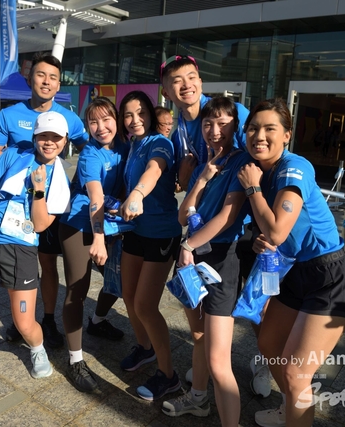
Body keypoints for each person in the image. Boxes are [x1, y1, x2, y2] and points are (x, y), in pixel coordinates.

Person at [237, 99, 345, 427]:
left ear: (287, 135)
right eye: (253, 128)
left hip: (330, 277)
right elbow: (276, 234)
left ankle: (294, 403)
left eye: (269, 128)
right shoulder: (262, 171)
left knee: (295, 373)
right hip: (294, 271)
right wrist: (264, 238)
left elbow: (277, 229)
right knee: (268, 343)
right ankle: (291, 407)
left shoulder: (295, 166)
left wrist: (252, 189)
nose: (259, 136)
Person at [0, 52, 89, 349]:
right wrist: (20, 163)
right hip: (13, 208)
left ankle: (48, 319)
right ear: (30, 79)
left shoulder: (68, 118)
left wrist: (73, 182)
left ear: (59, 84)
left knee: (48, 263)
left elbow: (88, 150)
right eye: (41, 75)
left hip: (48, 204)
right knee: (16, 262)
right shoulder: (9, 115)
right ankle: (21, 320)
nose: (47, 81)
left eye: (53, 77)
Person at [0, 111, 73, 392]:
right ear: (35, 137)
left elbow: (40, 225)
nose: (49, 142)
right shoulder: (12, 155)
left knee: (24, 322)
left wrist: (38, 189)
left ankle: (37, 349)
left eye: (55, 137)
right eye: (43, 136)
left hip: (22, 249)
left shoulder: (60, 182)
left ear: (64, 141)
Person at [163, 97, 252, 423]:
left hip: (220, 259)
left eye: (223, 124)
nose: (214, 131)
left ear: (235, 126)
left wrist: (188, 245)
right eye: (208, 124)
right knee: (199, 336)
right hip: (193, 258)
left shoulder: (242, 162)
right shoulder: (209, 162)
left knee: (218, 361)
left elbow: (227, 217)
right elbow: (182, 215)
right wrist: (201, 178)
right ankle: (198, 399)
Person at [59, 97, 128, 393]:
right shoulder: (89, 154)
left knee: (118, 280)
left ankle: (98, 321)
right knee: (78, 289)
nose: (101, 127)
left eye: (106, 119)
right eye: (93, 122)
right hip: (78, 224)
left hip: (110, 224)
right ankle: (75, 360)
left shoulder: (125, 146)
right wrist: (98, 238)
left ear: (116, 119)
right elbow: (96, 199)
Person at [117, 90, 182, 401]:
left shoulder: (160, 142)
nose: (135, 120)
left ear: (151, 114)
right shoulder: (134, 144)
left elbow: (154, 170)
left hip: (161, 232)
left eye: (140, 112)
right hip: (135, 230)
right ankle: (145, 348)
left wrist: (138, 193)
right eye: (128, 115)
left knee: (145, 305)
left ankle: (169, 376)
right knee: (129, 296)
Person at [159, 55, 249, 191]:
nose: (187, 85)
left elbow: (265, 161)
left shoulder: (234, 113)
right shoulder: (178, 137)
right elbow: (182, 186)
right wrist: (183, 181)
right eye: (177, 81)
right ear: (166, 94)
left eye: (191, 77)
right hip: (205, 203)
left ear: (200, 82)